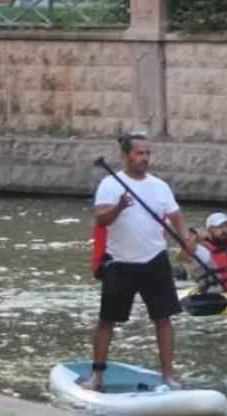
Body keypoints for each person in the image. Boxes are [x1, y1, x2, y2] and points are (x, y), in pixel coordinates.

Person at [80, 131, 189, 391]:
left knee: (163, 319)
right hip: (120, 262)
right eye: (139, 153)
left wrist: (186, 239)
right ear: (126, 155)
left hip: (155, 259)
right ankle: (97, 376)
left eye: (148, 153)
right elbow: (101, 220)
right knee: (107, 320)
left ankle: (168, 374)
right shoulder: (110, 184)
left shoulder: (159, 186)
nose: (145, 158)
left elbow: (176, 215)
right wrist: (118, 207)